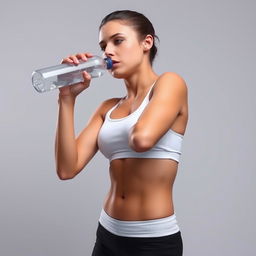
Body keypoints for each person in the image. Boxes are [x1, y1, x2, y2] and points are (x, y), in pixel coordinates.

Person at [55, 9, 188, 256]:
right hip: (107, 234)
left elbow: (142, 139)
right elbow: (66, 168)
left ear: (146, 42)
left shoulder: (170, 83)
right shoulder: (108, 107)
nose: (107, 51)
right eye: (104, 45)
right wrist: (66, 99)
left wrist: (137, 99)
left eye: (118, 41)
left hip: (153, 241)